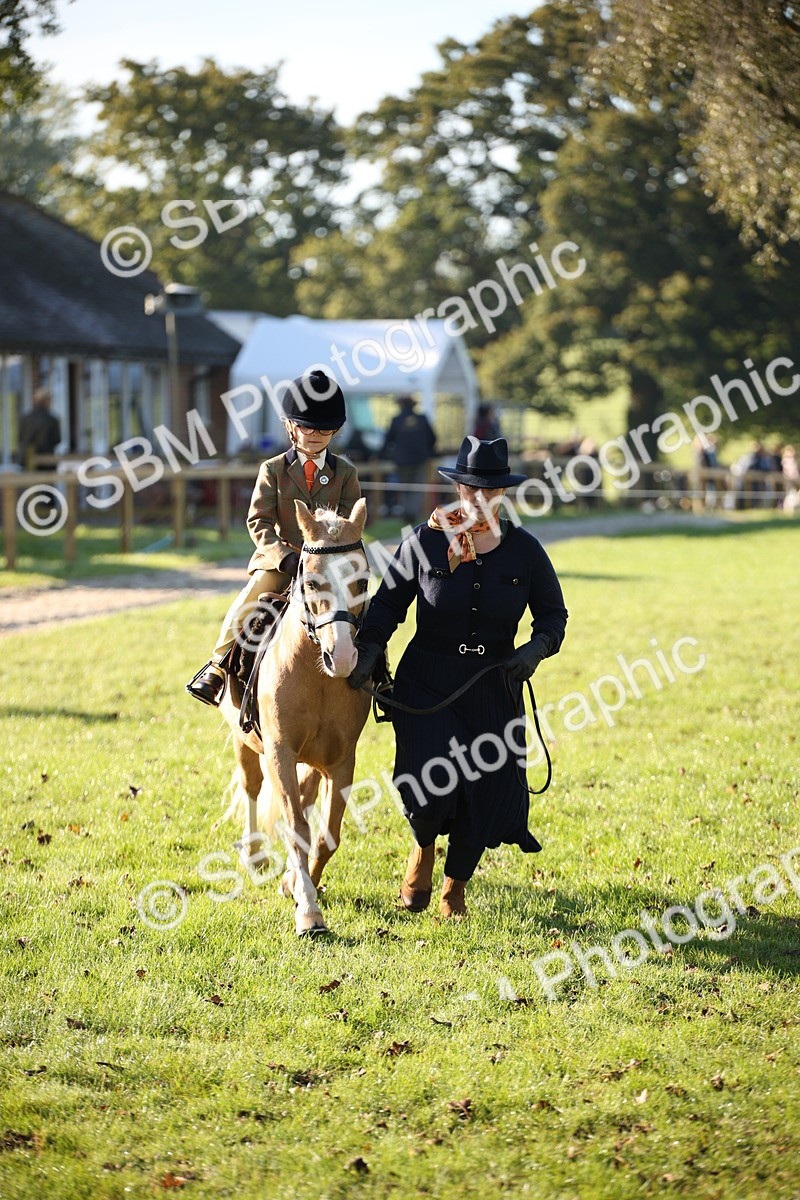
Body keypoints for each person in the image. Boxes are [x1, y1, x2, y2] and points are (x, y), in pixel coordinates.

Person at [349, 436, 568, 918]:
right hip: (427, 676)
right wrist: (369, 649)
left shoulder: (526, 551)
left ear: (504, 494)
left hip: (494, 681)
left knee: (490, 786)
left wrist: (534, 651)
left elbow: (553, 616)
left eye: (489, 491)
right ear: (457, 487)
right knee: (428, 780)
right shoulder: (423, 540)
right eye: (470, 489)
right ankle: (423, 847)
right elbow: (388, 605)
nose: (478, 499)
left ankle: (456, 883)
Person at [186, 370, 360, 706]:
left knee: (361, 606)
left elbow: (352, 524)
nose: (315, 436)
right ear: (290, 426)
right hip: (283, 560)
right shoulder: (273, 470)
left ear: (335, 430)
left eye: (324, 429)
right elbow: (258, 521)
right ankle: (218, 665)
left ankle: (378, 673)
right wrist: (284, 555)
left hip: (329, 565)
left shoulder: (346, 473)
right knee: (251, 595)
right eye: (307, 427)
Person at [380, 394, 436, 524]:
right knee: (417, 486)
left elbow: (388, 441)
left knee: (405, 487)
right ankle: (413, 513)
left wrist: (379, 456)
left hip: (402, 461)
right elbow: (432, 438)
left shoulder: (397, 420)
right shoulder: (422, 419)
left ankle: (407, 513)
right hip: (420, 459)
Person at [17, 387, 61, 470]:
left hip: (26, 462)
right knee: (45, 483)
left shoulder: (25, 418)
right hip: (47, 463)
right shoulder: (52, 420)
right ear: (46, 401)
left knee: (29, 483)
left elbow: (20, 438)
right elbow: (57, 439)